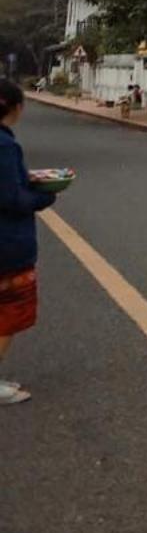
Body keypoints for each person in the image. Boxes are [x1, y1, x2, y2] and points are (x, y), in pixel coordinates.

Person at [0, 79, 56, 404]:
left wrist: (24, 179)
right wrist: (43, 196)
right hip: (6, 244)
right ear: (14, 107)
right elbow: (11, 198)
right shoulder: (5, 146)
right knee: (9, 311)